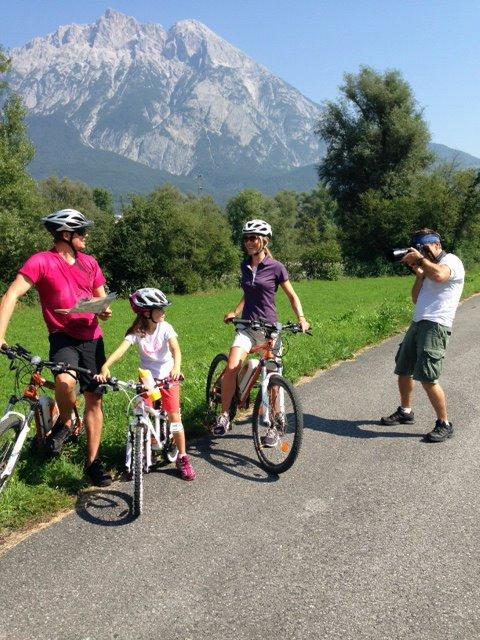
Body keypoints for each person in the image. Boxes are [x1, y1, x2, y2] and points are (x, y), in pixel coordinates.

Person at [0, 209, 113, 486]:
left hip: (92, 340)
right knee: (63, 382)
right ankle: (64, 420)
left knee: (93, 399)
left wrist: (103, 310)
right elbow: (12, 293)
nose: (85, 236)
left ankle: (93, 464)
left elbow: (103, 299)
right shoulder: (42, 261)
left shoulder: (89, 263)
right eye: (81, 232)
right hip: (62, 338)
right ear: (66, 234)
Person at [214, 219, 310, 444]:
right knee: (231, 366)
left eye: (253, 238)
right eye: (246, 238)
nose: (248, 242)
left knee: (273, 376)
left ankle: (275, 425)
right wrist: (235, 311)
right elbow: (249, 293)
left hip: (269, 329)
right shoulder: (245, 265)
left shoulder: (276, 267)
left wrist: (302, 319)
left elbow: (292, 297)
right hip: (247, 326)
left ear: (263, 241)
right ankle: (225, 415)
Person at [95, 287, 196, 481]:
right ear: (147, 313)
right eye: (160, 309)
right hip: (148, 379)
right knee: (142, 414)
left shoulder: (165, 328)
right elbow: (121, 350)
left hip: (168, 377)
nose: (164, 312)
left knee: (175, 418)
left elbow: (176, 350)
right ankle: (139, 454)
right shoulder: (137, 332)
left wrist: (176, 368)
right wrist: (105, 366)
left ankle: (182, 457)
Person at [381, 228, 465, 442]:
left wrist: (422, 261)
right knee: (403, 369)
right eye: (420, 249)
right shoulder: (426, 267)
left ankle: (444, 423)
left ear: (437, 245)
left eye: (425, 248)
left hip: (436, 326)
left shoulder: (451, 261)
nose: (423, 253)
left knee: (428, 377)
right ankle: (406, 411)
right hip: (418, 322)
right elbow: (416, 299)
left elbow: (439, 275)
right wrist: (419, 275)